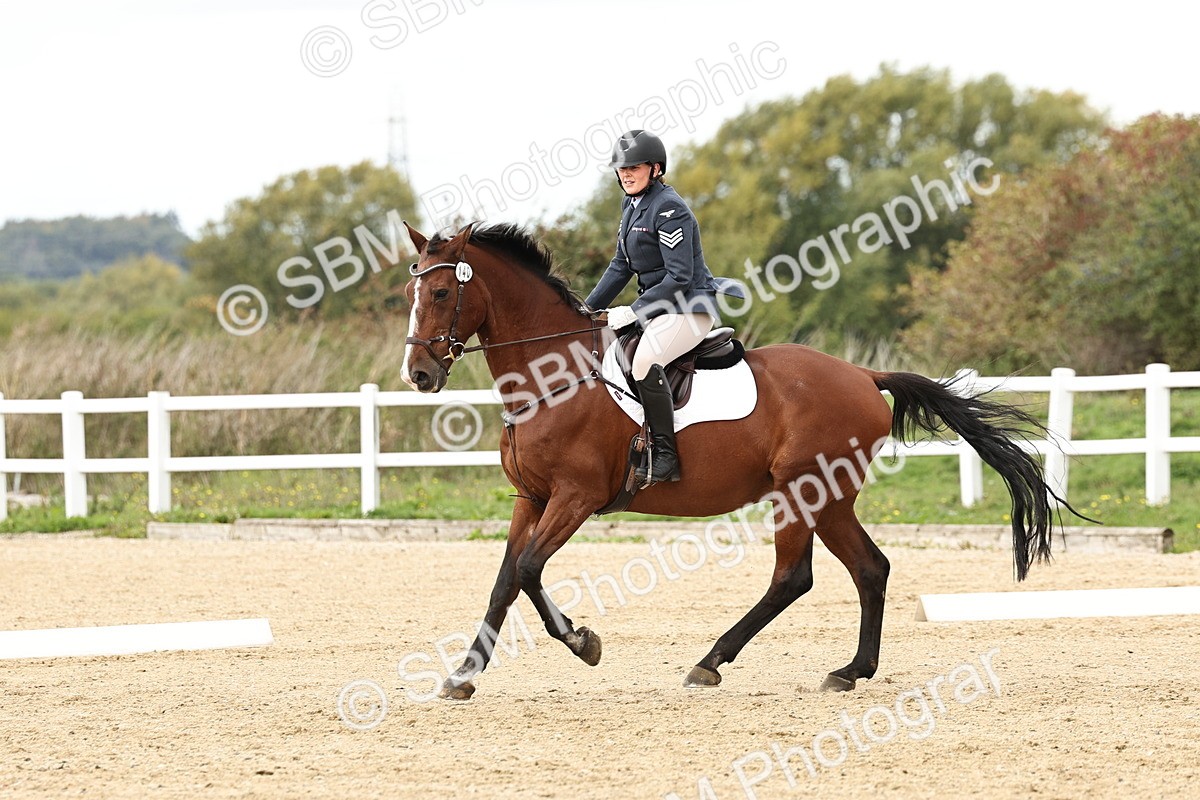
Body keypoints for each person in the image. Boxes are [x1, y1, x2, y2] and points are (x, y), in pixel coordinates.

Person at [585, 129, 746, 485]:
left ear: (655, 169)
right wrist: (585, 309)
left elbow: (678, 276)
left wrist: (635, 309)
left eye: (635, 167)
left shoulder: (669, 208)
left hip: (689, 308)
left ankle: (666, 456)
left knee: (644, 360)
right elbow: (620, 266)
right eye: (621, 169)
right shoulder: (632, 206)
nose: (626, 174)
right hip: (661, 310)